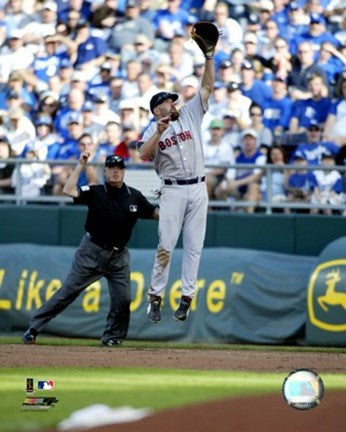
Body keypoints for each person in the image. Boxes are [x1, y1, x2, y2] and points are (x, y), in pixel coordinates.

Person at [23, 153, 159, 346]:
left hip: (118, 257)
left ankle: (112, 337)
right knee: (67, 293)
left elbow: (154, 213)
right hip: (92, 252)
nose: (115, 171)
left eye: (119, 168)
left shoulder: (134, 196)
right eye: (111, 168)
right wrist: (80, 165)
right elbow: (68, 190)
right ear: (105, 171)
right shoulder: (96, 192)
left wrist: (172, 208)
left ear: (124, 171)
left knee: (123, 299)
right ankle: (34, 328)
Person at [138, 29, 216, 323]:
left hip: (198, 187)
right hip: (171, 190)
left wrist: (209, 57)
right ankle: (155, 297)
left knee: (194, 247)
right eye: (162, 104)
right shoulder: (152, 130)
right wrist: (158, 132)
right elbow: (144, 154)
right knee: (166, 247)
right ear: (155, 110)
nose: (169, 105)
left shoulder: (190, 114)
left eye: (170, 101)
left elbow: (207, 87)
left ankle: (186, 298)